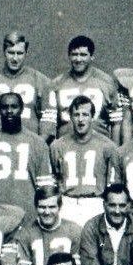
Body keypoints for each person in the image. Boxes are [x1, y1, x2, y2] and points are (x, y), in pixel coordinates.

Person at [0, 92, 54, 217]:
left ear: (22, 109)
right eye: (4, 107)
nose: (9, 111)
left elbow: (44, 187)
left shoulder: (38, 143)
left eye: (14, 107)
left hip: (27, 213)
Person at [48, 95, 116, 225]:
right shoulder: (57, 146)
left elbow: (111, 182)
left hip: (95, 203)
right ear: (70, 117)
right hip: (67, 202)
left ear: (92, 117)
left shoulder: (107, 146)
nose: (80, 119)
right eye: (76, 114)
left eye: (85, 114)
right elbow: (55, 178)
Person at [0, 31, 52, 137]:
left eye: (19, 53)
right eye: (11, 53)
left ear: (26, 53)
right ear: (4, 52)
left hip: (28, 144)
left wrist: (39, 146)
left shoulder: (40, 81)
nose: (15, 58)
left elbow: (48, 118)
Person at [45, 35, 117, 140]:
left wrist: (114, 150)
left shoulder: (106, 82)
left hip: (99, 147)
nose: (78, 59)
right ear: (69, 56)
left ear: (92, 56)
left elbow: (116, 122)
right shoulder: (57, 84)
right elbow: (49, 122)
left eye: (83, 55)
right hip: (66, 146)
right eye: (74, 54)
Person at [13, 190, 83, 265]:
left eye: (52, 207)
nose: (47, 212)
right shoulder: (26, 232)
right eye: (42, 207)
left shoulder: (74, 229)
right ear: (36, 207)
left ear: (59, 207)